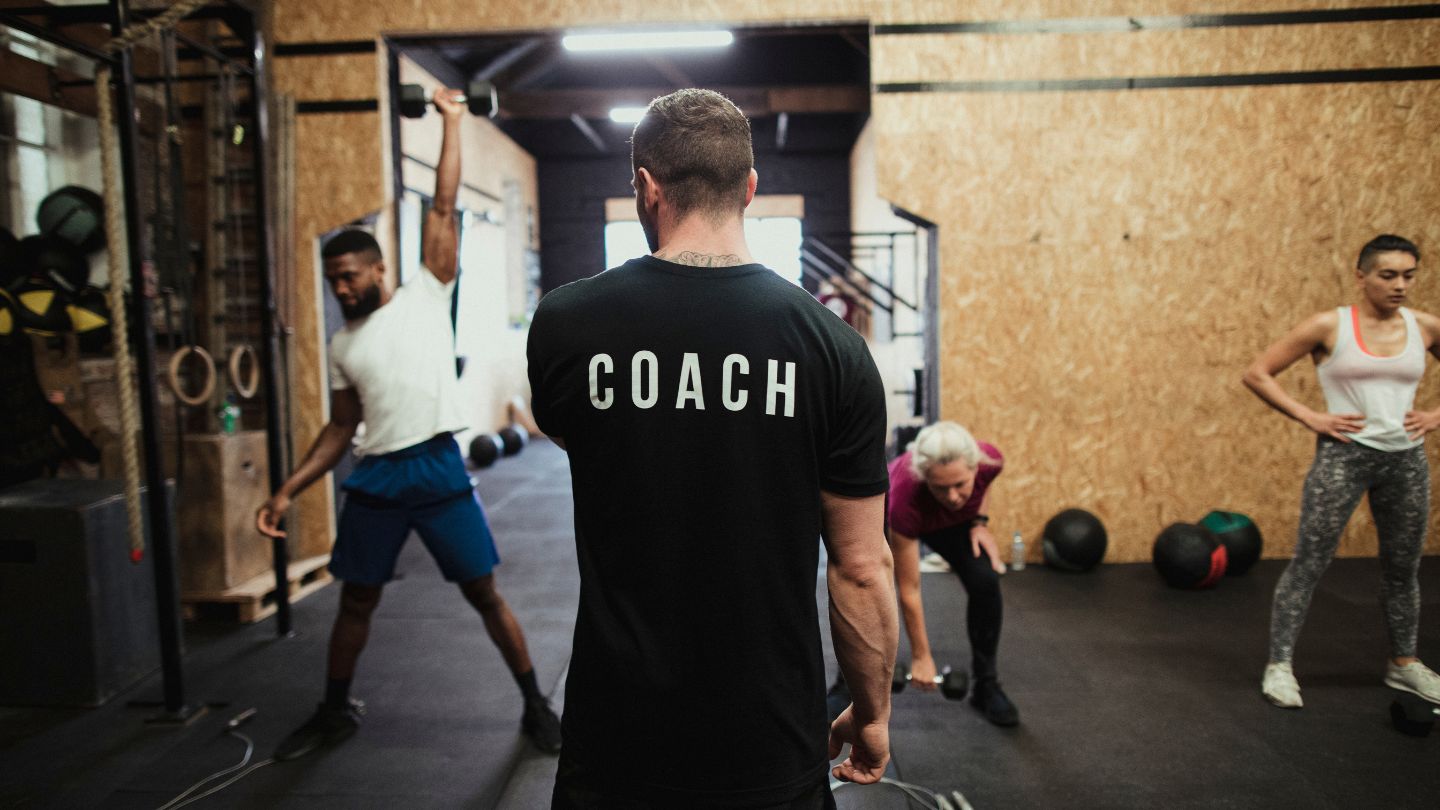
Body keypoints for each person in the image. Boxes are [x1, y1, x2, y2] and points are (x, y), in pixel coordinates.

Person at [526, 88, 898, 809]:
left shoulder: (566, 324)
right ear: (750, 188)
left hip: (615, 738)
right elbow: (859, 567)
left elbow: (577, 438)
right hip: (769, 738)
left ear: (645, 186)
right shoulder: (835, 351)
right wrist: (872, 712)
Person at [255, 87, 561, 758]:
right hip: (377, 476)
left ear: (378, 268)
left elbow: (445, 203)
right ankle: (334, 709)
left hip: (437, 467)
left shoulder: (428, 293)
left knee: (484, 593)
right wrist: (287, 489)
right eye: (331, 279)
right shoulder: (343, 344)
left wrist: (452, 121)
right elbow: (340, 427)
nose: (339, 289)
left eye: (347, 276)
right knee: (355, 602)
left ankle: (535, 703)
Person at [1243, 234, 1440, 709]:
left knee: (1402, 569)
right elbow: (1257, 372)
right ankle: (1280, 666)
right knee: (1309, 563)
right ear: (1362, 276)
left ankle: (1403, 665)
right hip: (1343, 458)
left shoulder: (1425, 327)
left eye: (1408, 275)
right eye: (1388, 275)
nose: (1399, 286)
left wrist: (1435, 416)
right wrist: (1310, 416)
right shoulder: (1329, 327)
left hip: (1405, 461)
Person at [883, 421, 1019, 727]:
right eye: (941, 487)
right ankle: (846, 684)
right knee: (865, 587)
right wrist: (921, 656)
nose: (954, 496)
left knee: (985, 581)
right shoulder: (905, 497)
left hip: (953, 524)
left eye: (961, 484)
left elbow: (981, 489)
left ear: (975, 467)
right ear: (925, 478)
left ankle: (986, 685)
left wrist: (980, 521)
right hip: (904, 518)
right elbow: (911, 589)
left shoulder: (990, 461)